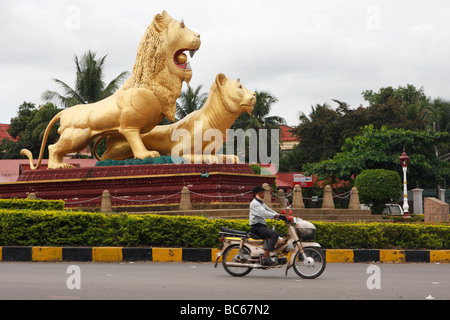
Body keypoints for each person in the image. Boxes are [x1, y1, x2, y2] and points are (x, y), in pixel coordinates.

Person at [249, 186, 285, 266]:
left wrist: (280, 216)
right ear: (255, 194)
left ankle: (273, 254)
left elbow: (269, 210)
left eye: (263, 193)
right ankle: (266, 256)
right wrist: (276, 216)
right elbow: (264, 213)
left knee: (279, 235)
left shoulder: (261, 203)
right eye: (261, 193)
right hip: (257, 227)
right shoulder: (255, 203)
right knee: (274, 235)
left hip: (262, 226)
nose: (263, 194)